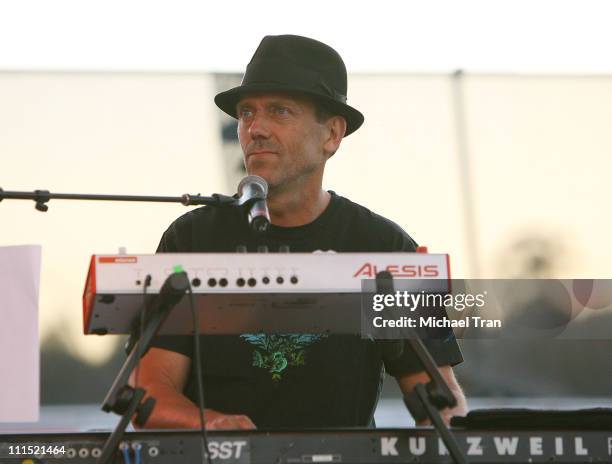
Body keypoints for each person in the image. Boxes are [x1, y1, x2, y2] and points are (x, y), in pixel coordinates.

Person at [133, 34, 467, 430]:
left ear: (332, 135)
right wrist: (216, 427)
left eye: (280, 111)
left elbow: (440, 400)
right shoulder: (192, 241)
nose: (255, 128)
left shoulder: (383, 248)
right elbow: (149, 394)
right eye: (245, 113)